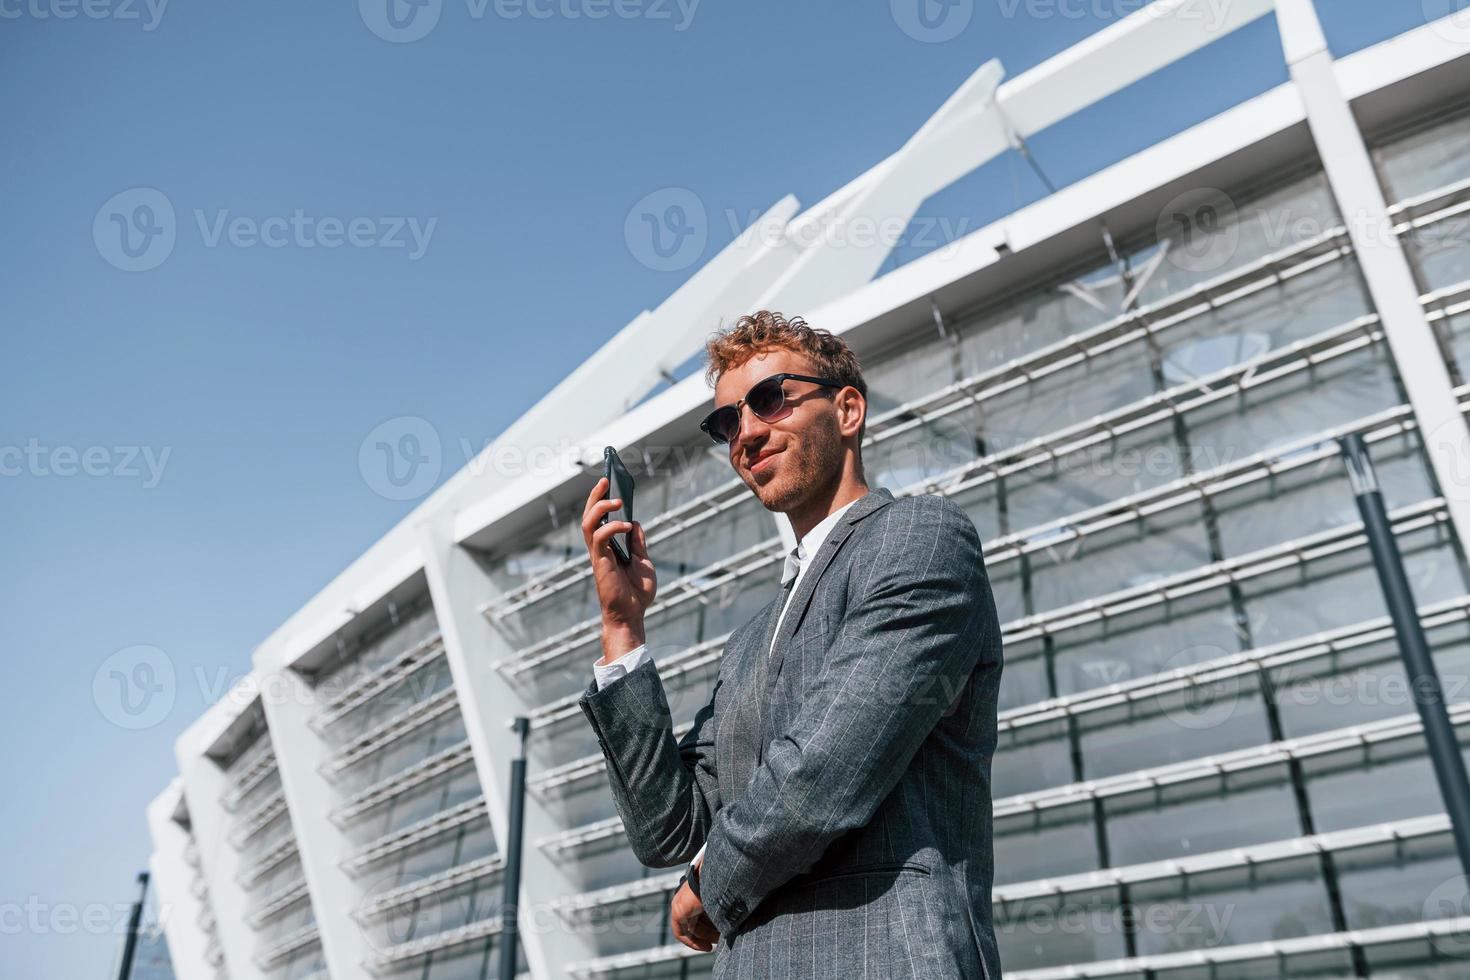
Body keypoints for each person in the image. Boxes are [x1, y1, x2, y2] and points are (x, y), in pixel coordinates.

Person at [577, 310, 1004, 978]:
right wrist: (622, 628)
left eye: (770, 399)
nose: (745, 431)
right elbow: (668, 829)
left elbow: (824, 772)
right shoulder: (750, 643)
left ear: (848, 410)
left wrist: (707, 885)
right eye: (725, 422)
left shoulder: (920, 539)